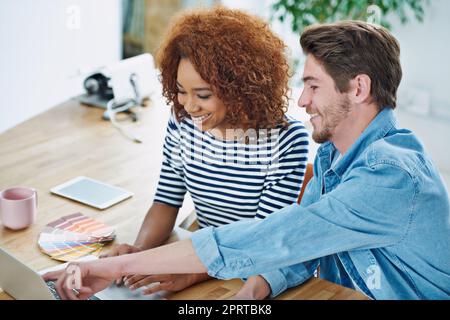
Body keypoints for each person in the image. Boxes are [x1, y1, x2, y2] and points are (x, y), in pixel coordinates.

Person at [44, 20, 450, 300]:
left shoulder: (390, 175)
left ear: (358, 88)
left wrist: (111, 269)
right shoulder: (331, 157)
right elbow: (305, 245)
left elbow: (277, 235)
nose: (303, 99)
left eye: (312, 85)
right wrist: (255, 291)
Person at [96, 7, 310, 298]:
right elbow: (165, 202)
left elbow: (260, 241)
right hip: (203, 254)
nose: (189, 106)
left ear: (241, 88)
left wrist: (194, 272)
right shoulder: (182, 123)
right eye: (181, 90)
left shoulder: (286, 140)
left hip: (250, 269)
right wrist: (136, 253)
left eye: (203, 95)